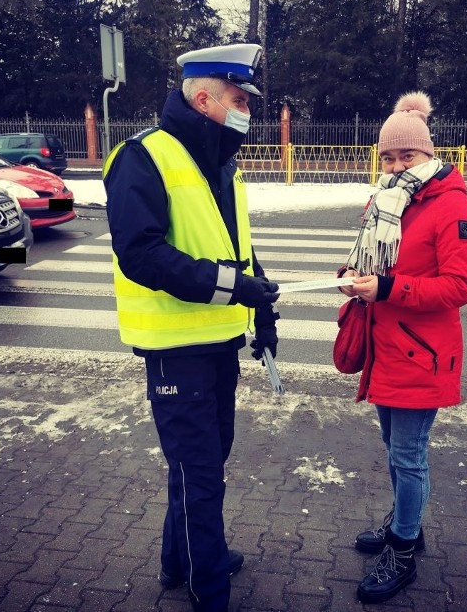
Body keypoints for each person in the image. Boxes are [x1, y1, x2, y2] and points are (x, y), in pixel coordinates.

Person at [103, 43, 280, 612]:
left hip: (219, 344)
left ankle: (178, 562)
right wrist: (236, 288)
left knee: (205, 460)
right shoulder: (142, 157)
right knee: (199, 472)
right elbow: (142, 255)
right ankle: (210, 588)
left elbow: (237, 252)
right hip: (173, 350)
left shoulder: (224, 164)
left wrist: (262, 312)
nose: (246, 110)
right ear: (204, 99)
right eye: (237, 99)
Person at [337, 91, 467, 604]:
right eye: (389, 157)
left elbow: (459, 288)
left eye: (407, 155)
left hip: (423, 352)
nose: (397, 165)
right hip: (386, 348)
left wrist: (389, 289)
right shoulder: (385, 200)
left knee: (409, 454)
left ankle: (402, 546)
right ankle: (407, 525)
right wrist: (354, 277)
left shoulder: (453, 208)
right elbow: (375, 261)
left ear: (428, 153)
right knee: (394, 451)